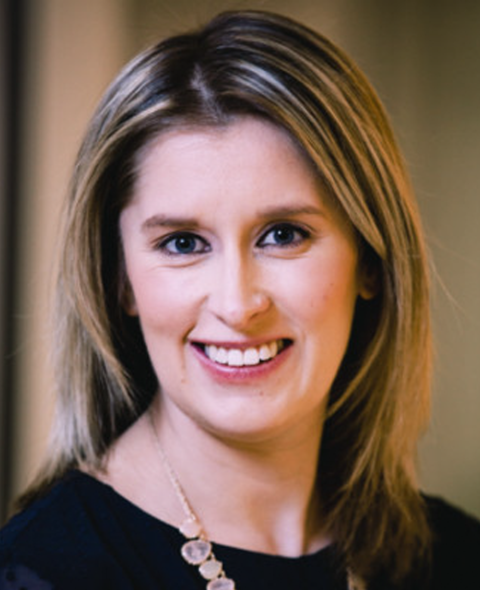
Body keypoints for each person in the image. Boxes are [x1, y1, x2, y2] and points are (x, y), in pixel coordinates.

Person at [1, 9, 479, 590]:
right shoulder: (41, 572)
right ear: (119, 279)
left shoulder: (455, 558)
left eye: (283, 234)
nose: (237, 303)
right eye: (182, 243)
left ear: (370, 261)